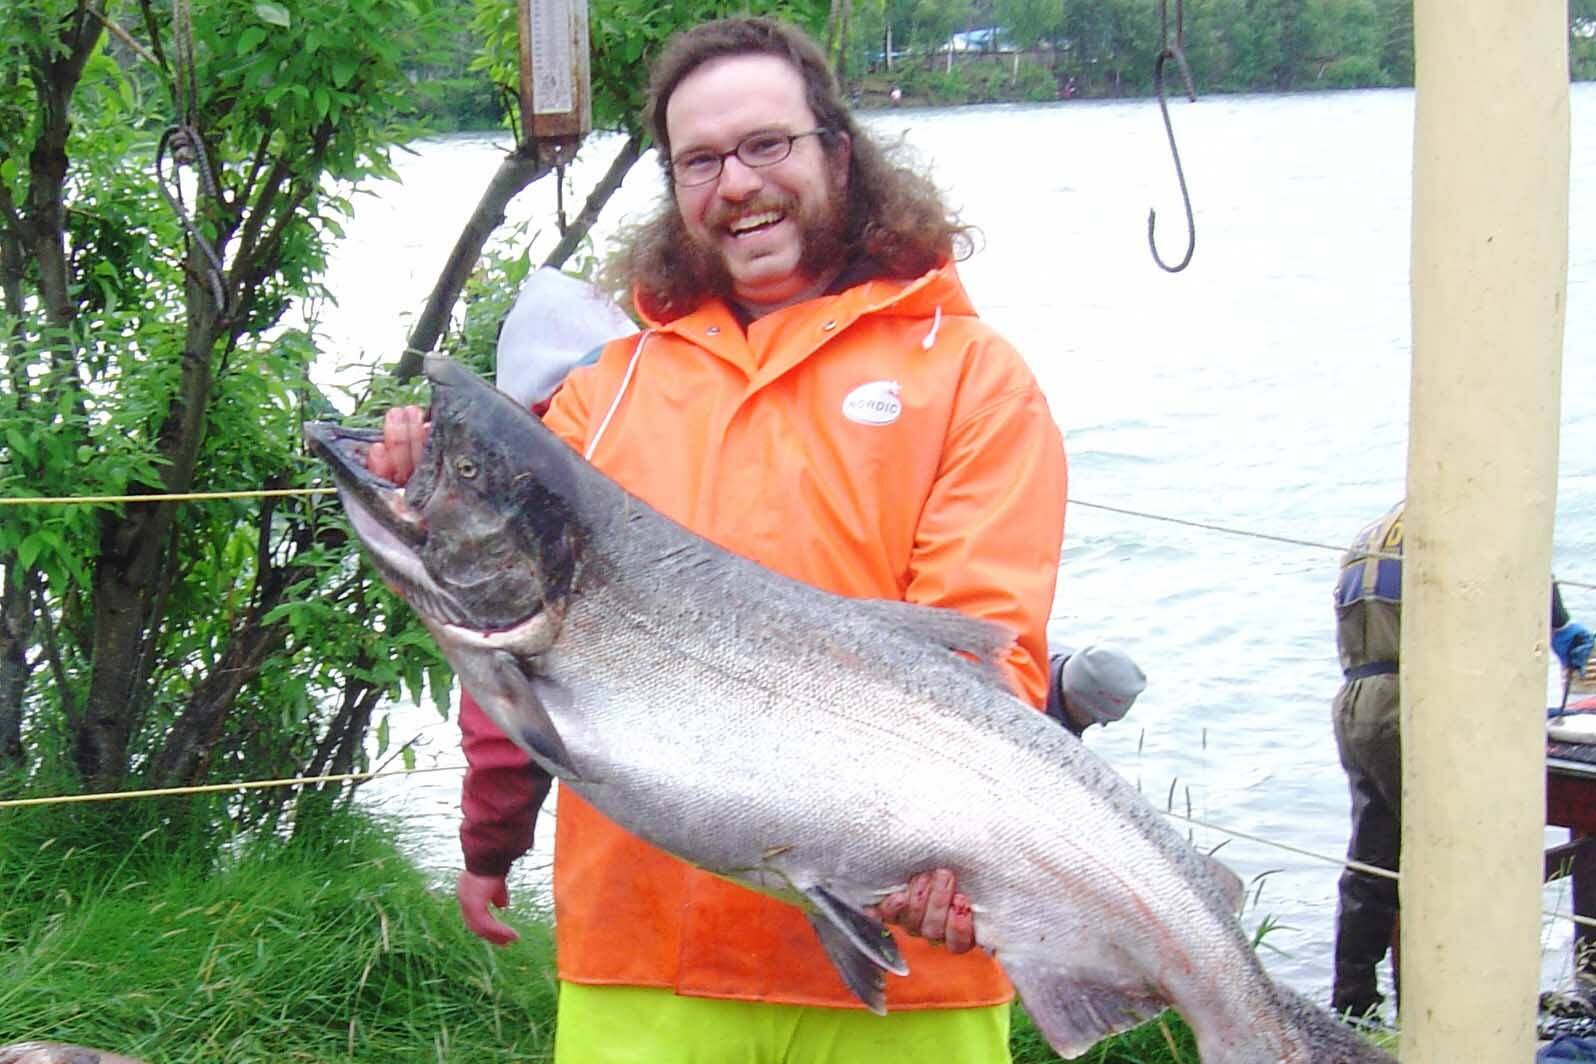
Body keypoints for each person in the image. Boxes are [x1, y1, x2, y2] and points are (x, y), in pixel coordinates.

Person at [367, 17, 1067, 1063]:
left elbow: (988, 647)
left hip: (912, 963)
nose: (737, 183)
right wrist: (490, 834)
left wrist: (963, 855)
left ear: (838, 148)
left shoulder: (972, 373)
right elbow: (513, 638)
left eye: (767, 145)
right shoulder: (600, 394)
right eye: (700, 160)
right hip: (644, 953)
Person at [1330, 500, 1595, 1022]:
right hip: (1413, 702)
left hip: (1357, 702)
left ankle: (1353, 1005)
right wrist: (1563, 633)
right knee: (1451, 852)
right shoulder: (1468, 511)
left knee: (1374, 856)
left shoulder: (1378, 530)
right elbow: (1525, 576)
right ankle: (1449, 1013)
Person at [1044, 642, 1147, 737]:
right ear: (1074, 701)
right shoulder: (1034, 713)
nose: (1102, 725)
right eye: (1094, 718)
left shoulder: (1080, 662)